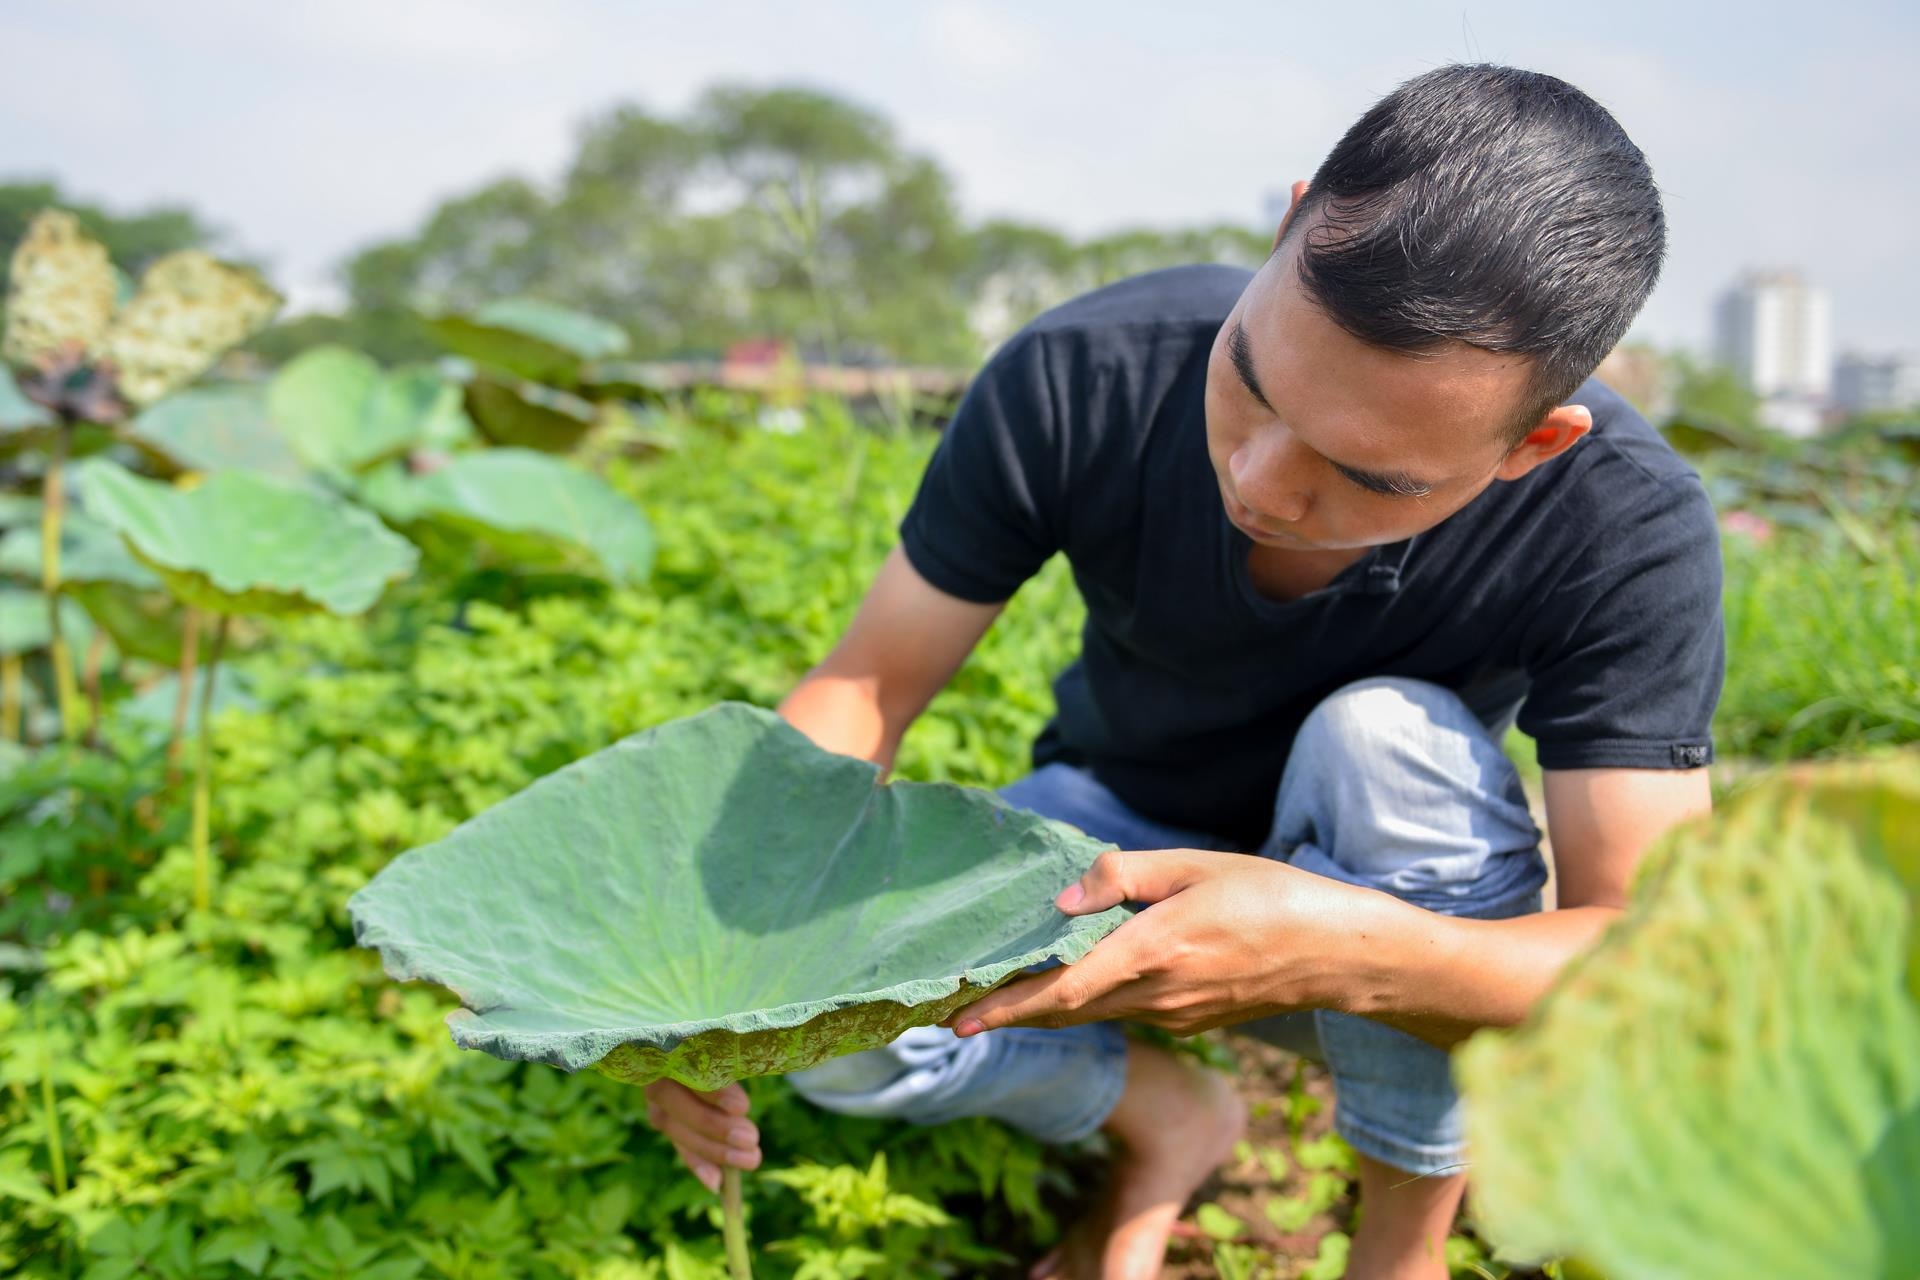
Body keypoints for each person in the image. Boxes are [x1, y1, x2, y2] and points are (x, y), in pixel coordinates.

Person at [640, 63, 1723, 1280]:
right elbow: (870, 689)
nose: (1260, 482)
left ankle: (1400, 1243)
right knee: (819, 1007)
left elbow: (1644, 958)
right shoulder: (1082, 372)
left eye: (1370, 476)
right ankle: (1161, 1108)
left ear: (1533, 444)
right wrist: (716, 971)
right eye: (1248, 382)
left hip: (1388, 904)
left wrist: (1337, 944)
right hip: (1111, 849)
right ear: (1291, 220)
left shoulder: (1628, 525)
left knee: (1390, 739)